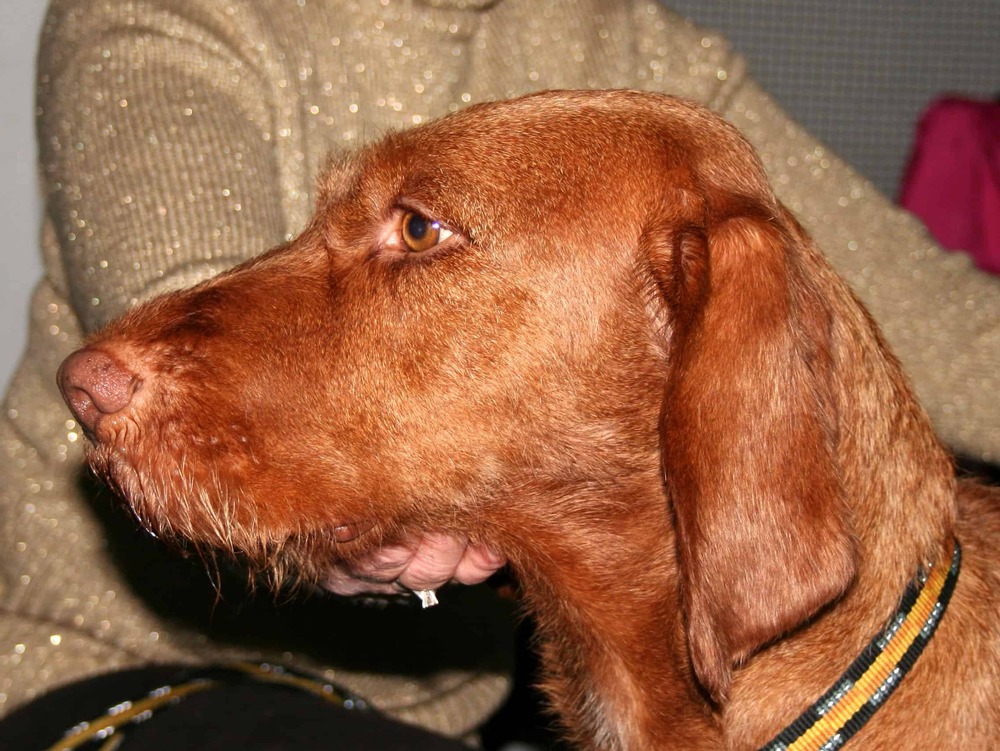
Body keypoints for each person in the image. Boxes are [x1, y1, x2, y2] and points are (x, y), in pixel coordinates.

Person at [2, 0, 998, 746]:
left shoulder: (633, 54)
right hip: (122, 676)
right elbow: (178, 327)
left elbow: (951, 329)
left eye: (420, 228)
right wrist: (367, 521)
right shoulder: (157, 13)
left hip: (464, 713)